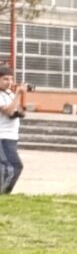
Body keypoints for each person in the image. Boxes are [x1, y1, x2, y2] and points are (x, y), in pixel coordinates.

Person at [0, 63, 24, 195]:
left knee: (6, 166)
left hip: (12, 136)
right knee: (13, 166)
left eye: (11, 79)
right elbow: (8, 111)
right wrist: (19, 94)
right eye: (5, 79)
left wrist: (19, 112)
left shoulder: (9, 93)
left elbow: (14, 110)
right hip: (3, 136)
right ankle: (4, 194)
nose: (9, 82)